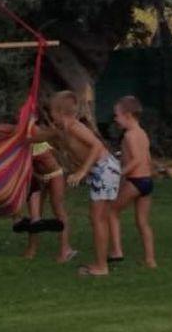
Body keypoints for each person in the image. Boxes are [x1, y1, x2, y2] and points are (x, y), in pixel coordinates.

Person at [50, 90, 123, 278]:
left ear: (59, 112)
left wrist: (82, 171)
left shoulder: (75, 127)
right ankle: (101, 263)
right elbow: (43, 136)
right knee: (98, 218)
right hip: (103, 170)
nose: (50, 116)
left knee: (98, 219)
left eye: (52, 112)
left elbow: (97, 146)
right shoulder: (66, 129)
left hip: (103, 169)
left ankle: (101, 267)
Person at [111, 95, 158, 269]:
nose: (115, 119)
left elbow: (137, 160)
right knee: (142, 221)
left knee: (111, 211)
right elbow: (147, 158)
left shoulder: (129, 135)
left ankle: (117, 251)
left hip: (136, 181)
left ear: (128, 115)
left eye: (117, 115)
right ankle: (150, 260)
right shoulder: (142, 133)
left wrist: (118, 174)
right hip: (147, 182)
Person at [19, 128, 76, 263]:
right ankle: (32, 249)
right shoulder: (23, 140)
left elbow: (56, 154)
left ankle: (65, 249)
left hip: (54, 175)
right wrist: (37, 176)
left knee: (58, 209)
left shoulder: (38, 135)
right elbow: (27, 166)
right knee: (35, 214)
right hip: (39, 177)